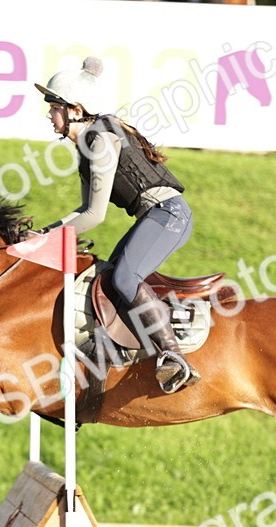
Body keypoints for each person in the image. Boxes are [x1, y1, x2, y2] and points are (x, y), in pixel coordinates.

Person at [34, 56, 199, 394]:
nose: (49, 115)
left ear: (74, 110)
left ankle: (173, 355)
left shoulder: (100, 139)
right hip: (157, 215)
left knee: (124, 278)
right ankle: (124, 348)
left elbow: (95, 216)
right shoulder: (86, 146)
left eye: (53, 107)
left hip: (168, 214)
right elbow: (84, 209)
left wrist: (46, 238)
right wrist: (44, 233)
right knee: (110, 277)